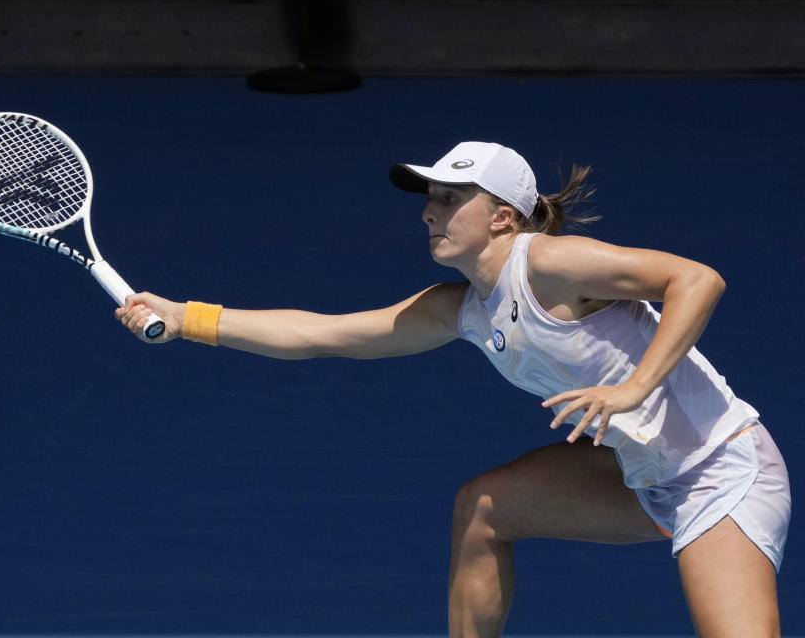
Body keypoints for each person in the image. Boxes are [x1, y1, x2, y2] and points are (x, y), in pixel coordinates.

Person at [115, 141, 790, 637]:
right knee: (484, 509)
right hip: (642, 479)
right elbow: (319, 333)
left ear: (502, 218)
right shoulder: (462, 308)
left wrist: (635, 387)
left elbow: (697, 280)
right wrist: (188, 318)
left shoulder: (551, 264)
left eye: (449, 198)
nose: (429, 213)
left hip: (720, 469)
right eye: (430, 199)